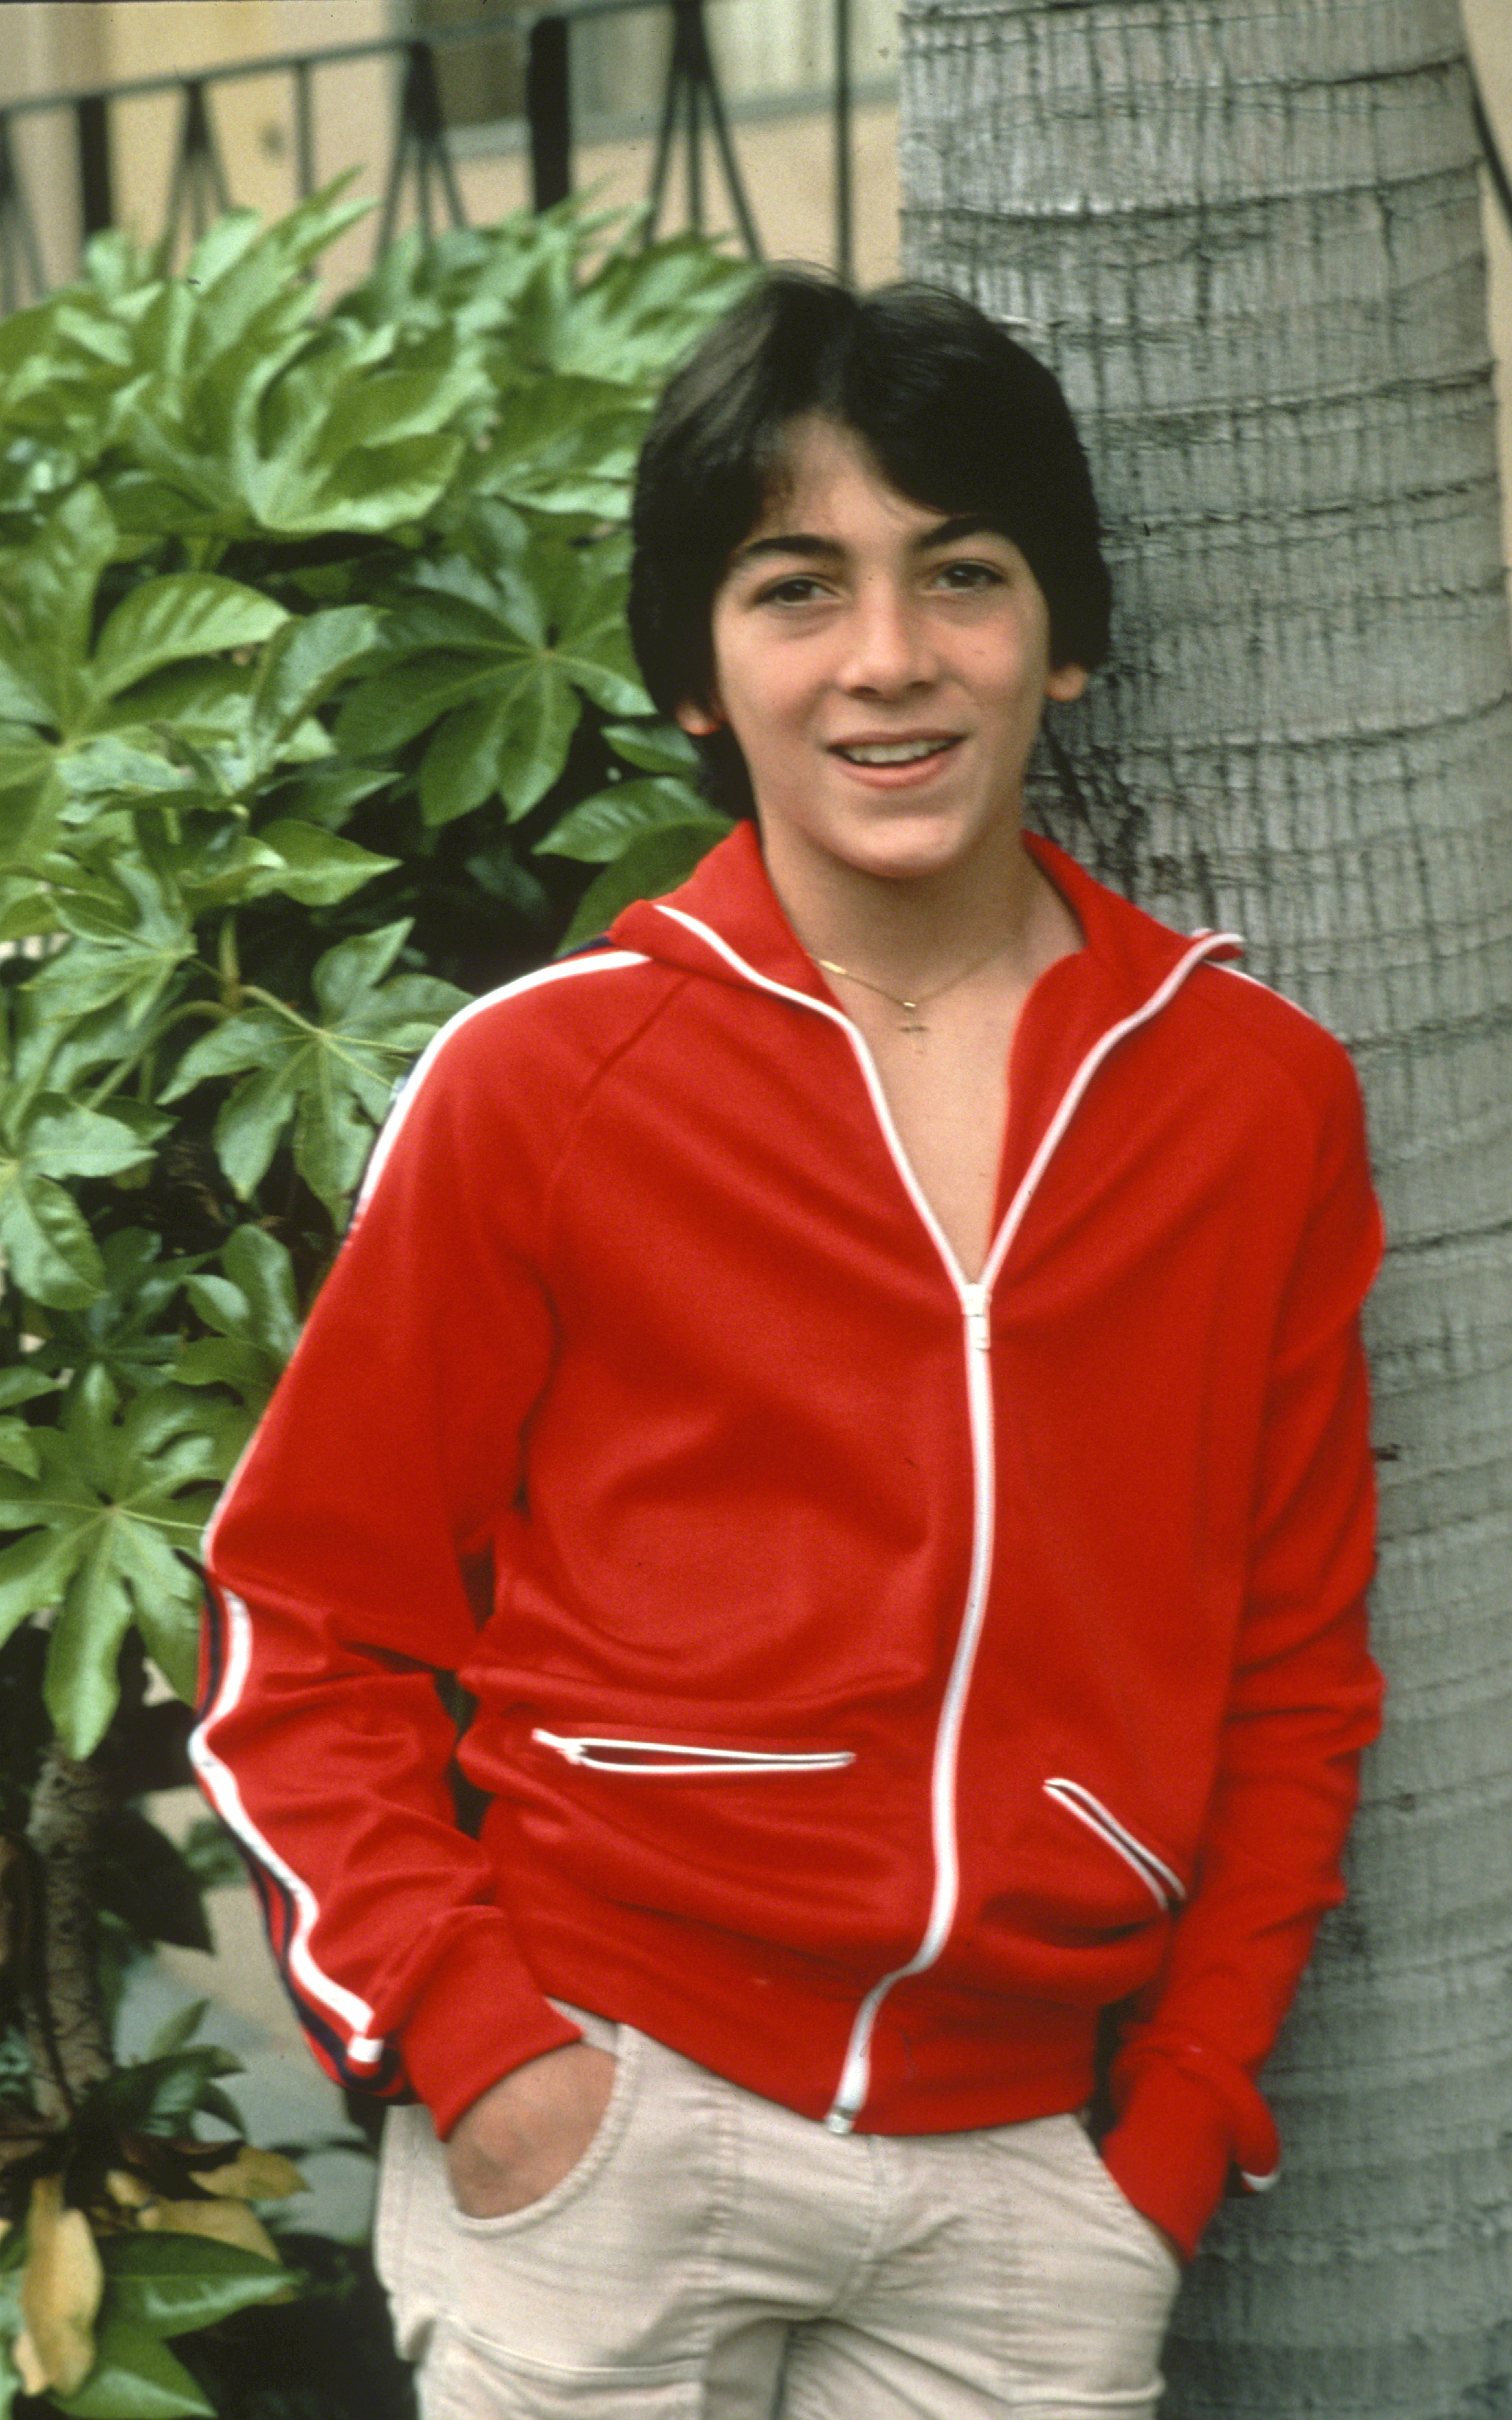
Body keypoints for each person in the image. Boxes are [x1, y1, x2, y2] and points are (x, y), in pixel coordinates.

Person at [193, 271, 1384, 2418]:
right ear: (694, 669)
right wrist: (481, 2054)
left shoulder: (1251, 1098)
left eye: (967, 574)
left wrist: (1174, 2130)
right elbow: (308, 1623)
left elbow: (1293, 1668)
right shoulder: (547, 1082)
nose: (890, 657)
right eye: (794, 585)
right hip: (602, 2114)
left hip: (1027, 2182)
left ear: (1067, 631)